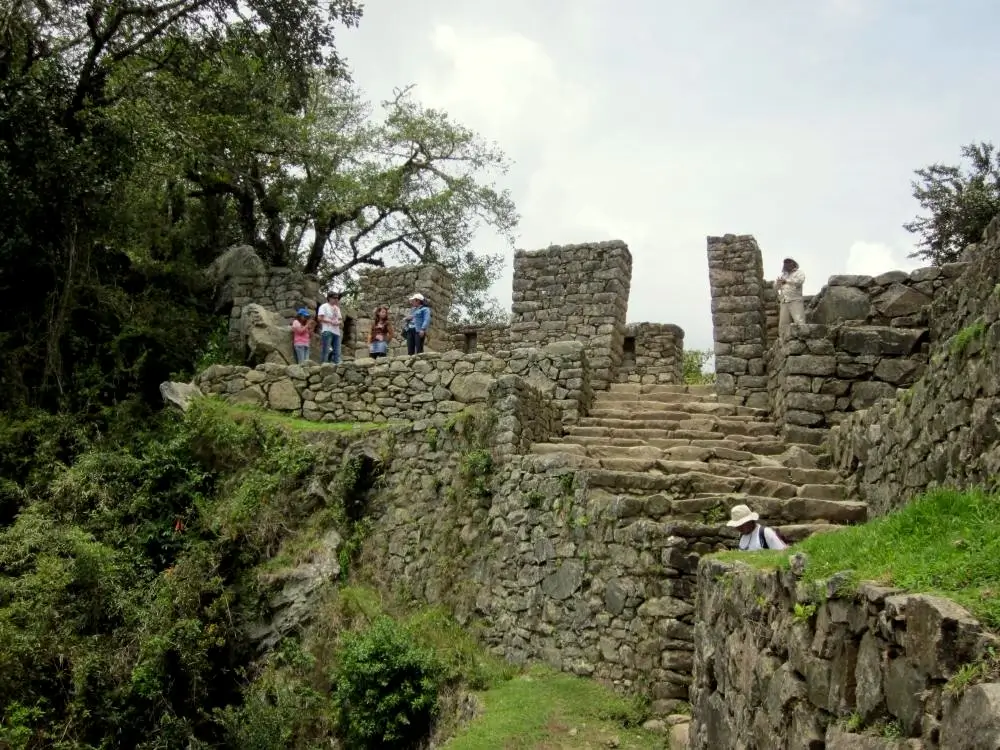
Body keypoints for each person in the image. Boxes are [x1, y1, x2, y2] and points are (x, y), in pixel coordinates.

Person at [775, 258, 806, 337]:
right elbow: (776, 288)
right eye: (785, 263)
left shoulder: (799, 273)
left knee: (799, 322)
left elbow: (799, 282)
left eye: (788, 262)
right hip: (784, 302)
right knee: (783, 324)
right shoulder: (783, 275)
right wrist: (778, 283)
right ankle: (783, 343)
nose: (786, 264)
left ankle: (803, 339)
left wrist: (787, 281)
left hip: (795, 301)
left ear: (793, 264)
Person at [317, 291, 343, 364]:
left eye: (337, 298)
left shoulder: (337, 308)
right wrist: (330, 321)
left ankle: (337, 370)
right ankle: (323, 367)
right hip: (327, 331)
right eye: (334, 298)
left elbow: (340, 320)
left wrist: (338, 322)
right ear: (329, 298)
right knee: (326, 351)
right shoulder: (324, 306)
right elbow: (319, 318)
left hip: (336, 332)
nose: (336, 299)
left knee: (337, 352)